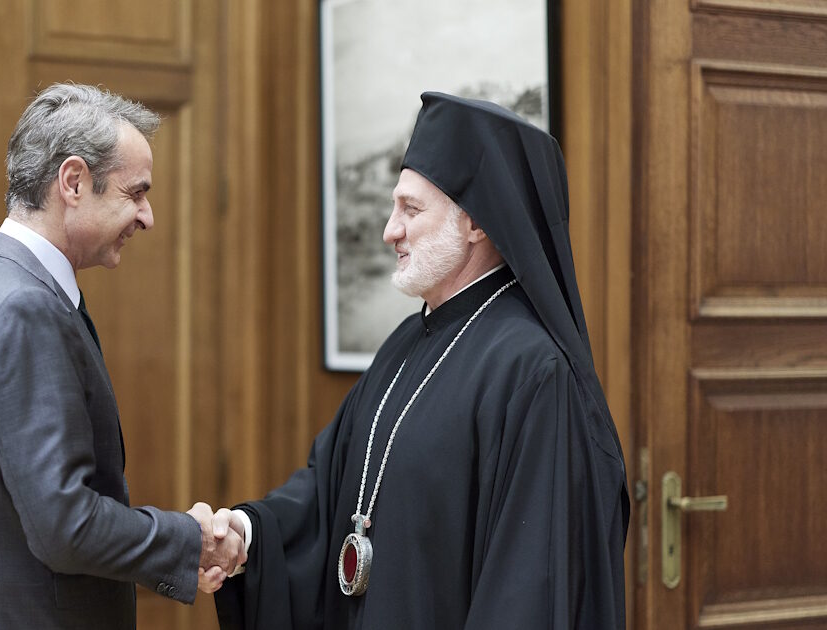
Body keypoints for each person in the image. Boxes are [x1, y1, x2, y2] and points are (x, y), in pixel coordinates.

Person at [207, 92, 630, 629]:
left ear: (476, 223)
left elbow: (529, 589)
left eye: (410, 209)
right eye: (394, 208)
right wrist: (244, 533)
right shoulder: (407, 341)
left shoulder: (534, 372)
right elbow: (328, 488)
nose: (390, 230)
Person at [0, 83, 244, 629]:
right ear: (73, 182)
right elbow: (64, 528)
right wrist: (189, 540)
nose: (147, 216)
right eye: (135, 193)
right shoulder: (22, 308)